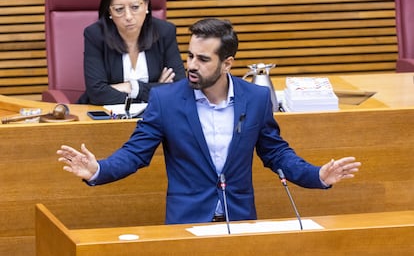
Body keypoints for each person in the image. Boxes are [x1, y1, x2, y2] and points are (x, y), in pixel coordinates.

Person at [58, 18, 361, 224]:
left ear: (227, 63)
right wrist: (98, 169)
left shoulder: (254, 99)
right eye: (189, 56)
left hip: (240, 221)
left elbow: (276, 153)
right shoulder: (166, 100)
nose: (191, 65)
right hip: (186, 223)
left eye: (203, 60)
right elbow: (135, 154)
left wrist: (317, 175)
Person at [77, 0, 185, 105]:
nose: (128, 16)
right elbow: (97, 94)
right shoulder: (95, 35)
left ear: (146, 4)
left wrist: (132, 88)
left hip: (154, 117)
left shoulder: (165, 32)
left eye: (135, 7)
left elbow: (179, 88)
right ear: (109, 11)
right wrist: (158, 89)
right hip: (105, 118)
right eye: (119, 9)